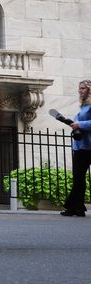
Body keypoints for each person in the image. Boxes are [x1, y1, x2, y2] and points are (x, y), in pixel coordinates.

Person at [60, 80, 91, 217]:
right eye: (79, 88)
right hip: (80, 147)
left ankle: (73, 207)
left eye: (83, 88)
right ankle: (77, 207)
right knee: (78, 178)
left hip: (88, 147)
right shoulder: (83, 107)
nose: (80, 90)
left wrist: (79, 124)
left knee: (79, 178)